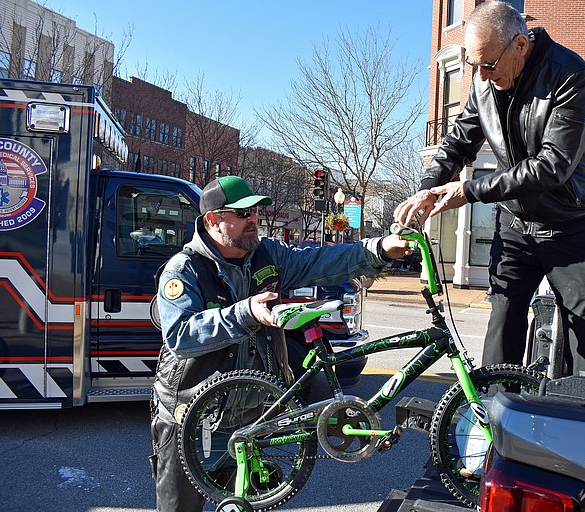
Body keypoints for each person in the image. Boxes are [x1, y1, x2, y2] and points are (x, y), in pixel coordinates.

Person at [150, 175, 412, 511]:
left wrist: (378, 249)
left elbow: (319, 261)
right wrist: (246, 313)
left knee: (245, 504)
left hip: (250, 421)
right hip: (191, 418)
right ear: (213, 220)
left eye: (255, 212)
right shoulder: (184, 270)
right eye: (243, 213)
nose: (253, 219)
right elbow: (181, 335)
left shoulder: (267, 254)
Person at [394, 0, 585, 381]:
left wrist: (471, 190)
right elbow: (457, 143)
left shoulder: (570, 76)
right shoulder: (484, 83)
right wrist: (425, 190)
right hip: (516, 226)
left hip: (577, 226)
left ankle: (584, 427)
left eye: (488, 65)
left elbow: (554, 167)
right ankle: (496, 426)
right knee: (502, 322)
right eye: (473, 65)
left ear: (519, 44)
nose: (480, 76)